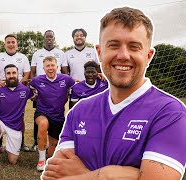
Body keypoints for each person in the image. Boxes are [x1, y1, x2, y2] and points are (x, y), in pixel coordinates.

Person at [43, 7, 186, 180]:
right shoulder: (80, 110)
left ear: (148, 56)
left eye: (134, 47)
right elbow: (55, 175)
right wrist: (118, 175)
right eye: (114, 45)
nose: (123, 55)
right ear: (99, 52)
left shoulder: (171, 113)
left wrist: (102, 175)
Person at [29, 56, 75, 171]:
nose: (50, 68)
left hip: (58, 116)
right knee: (43, 124)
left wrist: (99, 77)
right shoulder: (37, 80)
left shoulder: (66, 79)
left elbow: (78, 85)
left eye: (52, 65)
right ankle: (41, 160)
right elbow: (28, 88)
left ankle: (48, 155)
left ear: (57, 67)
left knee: (52, 155)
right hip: (42, 112)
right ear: (43, 68)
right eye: (47, 66)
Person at [0, 64, 34, 168]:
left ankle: (5, 148)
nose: (11, 75)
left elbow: (36, 96)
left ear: (18, 74)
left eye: (14, 73)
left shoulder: (25, 90)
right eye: (8, 73)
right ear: (4, 75)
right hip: (1, 122)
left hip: (15, 127)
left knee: (12, 161)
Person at [0, 34, 31, 152]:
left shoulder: (22, 57)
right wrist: (1, 82)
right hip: (3, 89)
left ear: (17, 44)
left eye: (13, 42)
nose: (11, 44)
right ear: (5, 44)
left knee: (20, 116)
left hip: (17, 89)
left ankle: (21, 142)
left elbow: (27, 74)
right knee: (0, 114)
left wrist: (19, 85)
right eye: (8, 42)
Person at [30, 30, 68, 152]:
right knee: (41, 116)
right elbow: (33, 71)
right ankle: (37, 143)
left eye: (51, 36)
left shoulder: (61, 53)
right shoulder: (37, 53)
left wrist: (65, 91)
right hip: (41, 88)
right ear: (44, 38)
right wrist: (34, 89)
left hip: (57, 90)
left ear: (54, 38)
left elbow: (65, 71)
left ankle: (54, 142)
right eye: (47, 37)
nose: (49, 38)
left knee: (55, 115)